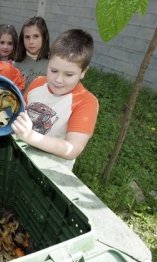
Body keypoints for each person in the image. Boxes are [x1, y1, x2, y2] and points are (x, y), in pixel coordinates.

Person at [11, 29, 99, 171]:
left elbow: (72, 149)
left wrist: (29, 136)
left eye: (69, 74)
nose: (58, 80)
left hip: (51, 171)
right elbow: (21, 113)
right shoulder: (37, 83)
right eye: (53, 70)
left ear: (83, 72)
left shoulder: (86, 102)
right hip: (21, 159)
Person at [13, 16, 50, 94]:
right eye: (27, 37)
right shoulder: (16, 65)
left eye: (36, 36)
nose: (31, 41)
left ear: (45, 37)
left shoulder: (53, 61)